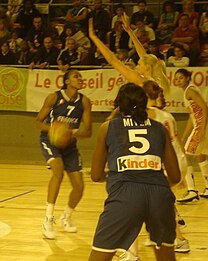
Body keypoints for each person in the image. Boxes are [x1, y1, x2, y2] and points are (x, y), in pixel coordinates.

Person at [88, 82, 181, 261]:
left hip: (125, 194)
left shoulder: (108, 127)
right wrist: (152, 179)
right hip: (160, 195)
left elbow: (95, 175)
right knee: (166, 257)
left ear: (119, 105)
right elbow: (175, 176)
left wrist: (120, 174)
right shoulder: (159, 127)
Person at [36, 69, 92, 239]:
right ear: (66, 81)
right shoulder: (54, 98)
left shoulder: (85, 102)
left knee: (79, 186)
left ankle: (66, 216)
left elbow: (88, 131)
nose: (80, 79)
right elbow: (38, 123)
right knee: (58, 172)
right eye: (76, 76)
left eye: (81, 77)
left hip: (70, 145)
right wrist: (55, 129)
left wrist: (70, 133)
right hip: (49, 141)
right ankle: (47, 219)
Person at [88, 12, 170, 94]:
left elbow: (112, 60)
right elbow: (143, 54)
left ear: (147, 67)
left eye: (139, 64)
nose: (136, 67)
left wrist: (94, 38)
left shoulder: (141, 80)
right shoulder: (156, 78)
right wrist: (129, 31)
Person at [174, 68, 208, 203]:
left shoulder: (190, 91)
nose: (178, 80)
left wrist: (202, 129)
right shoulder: (188, 91)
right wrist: (184, 136)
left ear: (187, 78)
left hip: (204, 124)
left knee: (186, 156)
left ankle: (192, 191)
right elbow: (191, 117)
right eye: (176, 78)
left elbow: (205, 108)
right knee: (201, 155)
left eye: (181, 77)